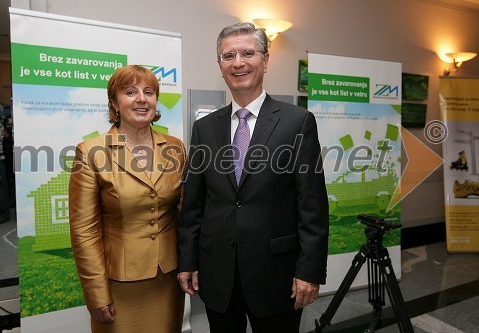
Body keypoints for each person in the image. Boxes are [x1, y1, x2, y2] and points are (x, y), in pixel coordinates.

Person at [177, 22, 329, 333]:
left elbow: (312, 205)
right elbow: (194, 204)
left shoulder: (297, 122)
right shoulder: (205, 128)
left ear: (266, 60)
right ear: (220, 66)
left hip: (277, 275)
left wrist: (309, 271)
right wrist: (188, 261)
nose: (238, 63)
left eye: (248, 53)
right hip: (217, 273)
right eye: (228, 55)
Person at [69, 65, 186, 333]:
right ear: (114, 102)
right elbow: (83, 231)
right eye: (130, 92)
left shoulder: (176, 148)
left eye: (149, 92)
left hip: (167, 278)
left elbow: (184, 214)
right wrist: (96, 291)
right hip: (117, 283)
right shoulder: (90, 152)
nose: (141, 99)